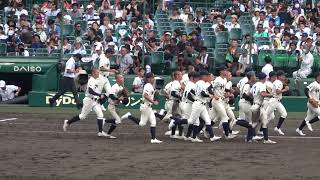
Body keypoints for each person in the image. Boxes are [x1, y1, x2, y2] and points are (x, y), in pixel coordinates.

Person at [62, 68, 111, 137]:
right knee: (82, 116)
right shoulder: (91, 80)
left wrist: (99, 96)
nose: (98, 74)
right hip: (89, 100)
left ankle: (100, 132)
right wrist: (99, 95)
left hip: (95, 101)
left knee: (100, 115)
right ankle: (67, 122)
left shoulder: (97, 80)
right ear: (93, 73)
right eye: (97, 72)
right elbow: (90, 91)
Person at [127, 72, 163, 144]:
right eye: (152, 77)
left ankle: (153, 139)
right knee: (142, 124)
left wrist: (154, 98)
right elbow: (146, 95)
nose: (154, 79)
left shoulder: (150, 85)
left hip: (148, 107)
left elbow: (150, 95)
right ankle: (129, 116)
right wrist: (153, 102)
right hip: (145, 107)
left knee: (153, 122)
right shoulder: (148, 85)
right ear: (149, 79)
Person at [250, 73, 276, 144]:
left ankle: (266, 139)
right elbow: (262, 94)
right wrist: (270, 95)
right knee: (254, 123)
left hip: (257, 105)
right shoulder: (262, 85)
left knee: (264, 121)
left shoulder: (255, 85)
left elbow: (250, 94)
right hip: (257, 106)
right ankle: (250, 137)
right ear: (264, 78)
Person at [104, 74, 132, 139]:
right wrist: (118, 99)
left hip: (115, 106)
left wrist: (126, 98)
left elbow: (124, 101)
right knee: (118, 121)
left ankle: (108, 134)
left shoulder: (121, 87)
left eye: (122, 77)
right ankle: (104, 121)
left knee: (116, 121)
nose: (122, 79)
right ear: (117, 79)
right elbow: (111, 95)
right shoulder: (115, 86)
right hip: (111, 106)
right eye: (121, 78)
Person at [265, 70, 289, 135]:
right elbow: (278, 91)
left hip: (277, 101)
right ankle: (258, 129)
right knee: (265, 116)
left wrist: (284, 85)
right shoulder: (278, 82)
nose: (284, 77)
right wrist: (285, 89)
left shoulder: (278, 82)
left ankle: (277, 128)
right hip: (274, 101)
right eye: (283, 75)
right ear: (279, 76)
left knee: (284, 114)